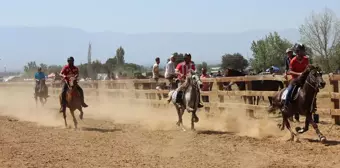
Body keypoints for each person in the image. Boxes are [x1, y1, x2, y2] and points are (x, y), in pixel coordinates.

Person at [283, 44, 309, 112]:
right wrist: (299, 74)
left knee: (313, 88)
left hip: (304, 79)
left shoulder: (306, 59)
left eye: (303, 50)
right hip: (295, 80)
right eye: (302, 50)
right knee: (289, 91)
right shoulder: (293, 61)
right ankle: (286, 106)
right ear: (297, 52)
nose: (304, 52)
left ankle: (312, 106)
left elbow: (308, 68)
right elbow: (290, 71)